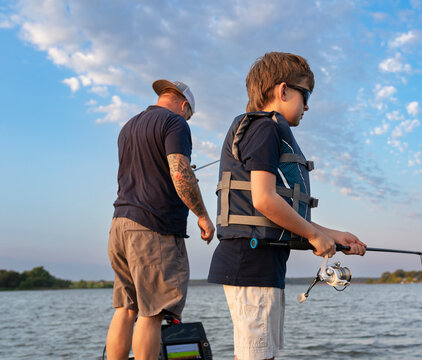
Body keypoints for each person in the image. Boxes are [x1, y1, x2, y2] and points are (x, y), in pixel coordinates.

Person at [208, 52, 367, 360]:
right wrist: (314, 237)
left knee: (264, 354)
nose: (307, 106)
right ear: (283, 91)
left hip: (264, 265)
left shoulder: (267, 130)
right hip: (250, 263)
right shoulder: (265, 128)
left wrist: (335, 235)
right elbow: (264, 199)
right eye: (305, 95)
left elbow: (281, 209)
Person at [106, 79, 215, 360]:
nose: (187, 118)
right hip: (153, 229)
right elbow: (180, 174)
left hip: (120, 224)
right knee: (152, 312)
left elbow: (153, 172)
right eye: (189, 114)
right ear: (184, 105)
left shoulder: (128, 126)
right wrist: (202, 215)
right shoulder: (176, 123)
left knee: (126, 309)